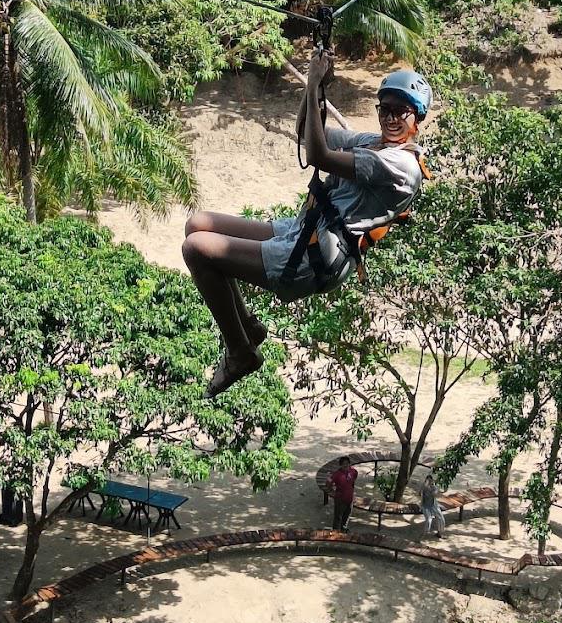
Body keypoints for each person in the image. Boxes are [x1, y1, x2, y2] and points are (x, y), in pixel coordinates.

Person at [182, 52, 432, 397]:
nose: (390, 118)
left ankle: (239, 351)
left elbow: (319, 156)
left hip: (314, 257)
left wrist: (315, 81)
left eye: (400, 111)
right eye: (384, 109)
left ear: (415, 117)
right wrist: (315, 91)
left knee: (196, 249)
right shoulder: (370, 143)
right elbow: (306, 132)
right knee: (198, 223)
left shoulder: (399, 166)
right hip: (304, 231)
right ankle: (248, 329)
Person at [329, 455, 358, 530]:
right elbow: (328, 482)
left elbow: (355, 475)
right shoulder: (337, 474)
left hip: (350, 498)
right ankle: (335, 531)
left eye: (347, 463)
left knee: (347, 515)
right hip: (340, 499)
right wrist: (332, 491)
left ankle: (343, 528)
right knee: (338, 516)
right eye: (344, 464)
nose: (346, 465)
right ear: (341, 465)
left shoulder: (352, 471)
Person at [421, 467, 446, 538]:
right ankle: (423, 535)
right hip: (425, 506)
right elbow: (420, 492)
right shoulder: (424, 487)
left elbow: (435, 494)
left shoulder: (434, 487)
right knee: (429, 520)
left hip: (433, 504)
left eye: (430, 481)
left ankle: (440, 533)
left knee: (441, 518)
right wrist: (425, 487)